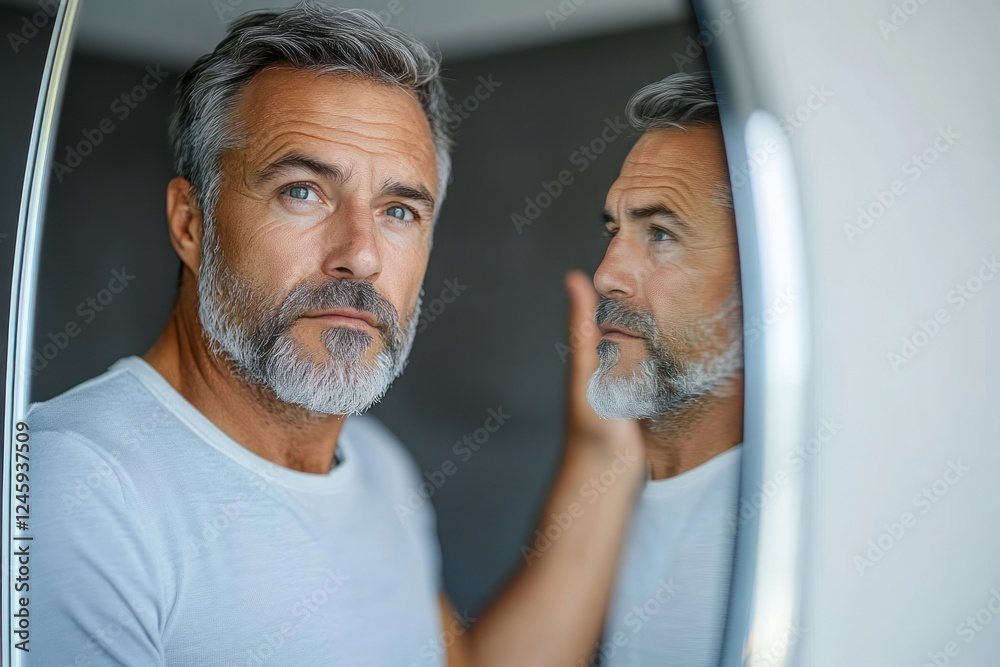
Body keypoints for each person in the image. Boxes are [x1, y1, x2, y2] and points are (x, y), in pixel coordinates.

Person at [27, 4, 645, 666]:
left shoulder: (376, 463)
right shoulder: (75, 488)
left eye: (399, 210)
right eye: (303, 192)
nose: (362, 255)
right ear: (191, 223)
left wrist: (605, 453)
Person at [583, 71, 745, 666]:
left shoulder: (814, 523)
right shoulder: (598, 506)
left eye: (659, 233)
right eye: (615, 230)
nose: (606, 274)